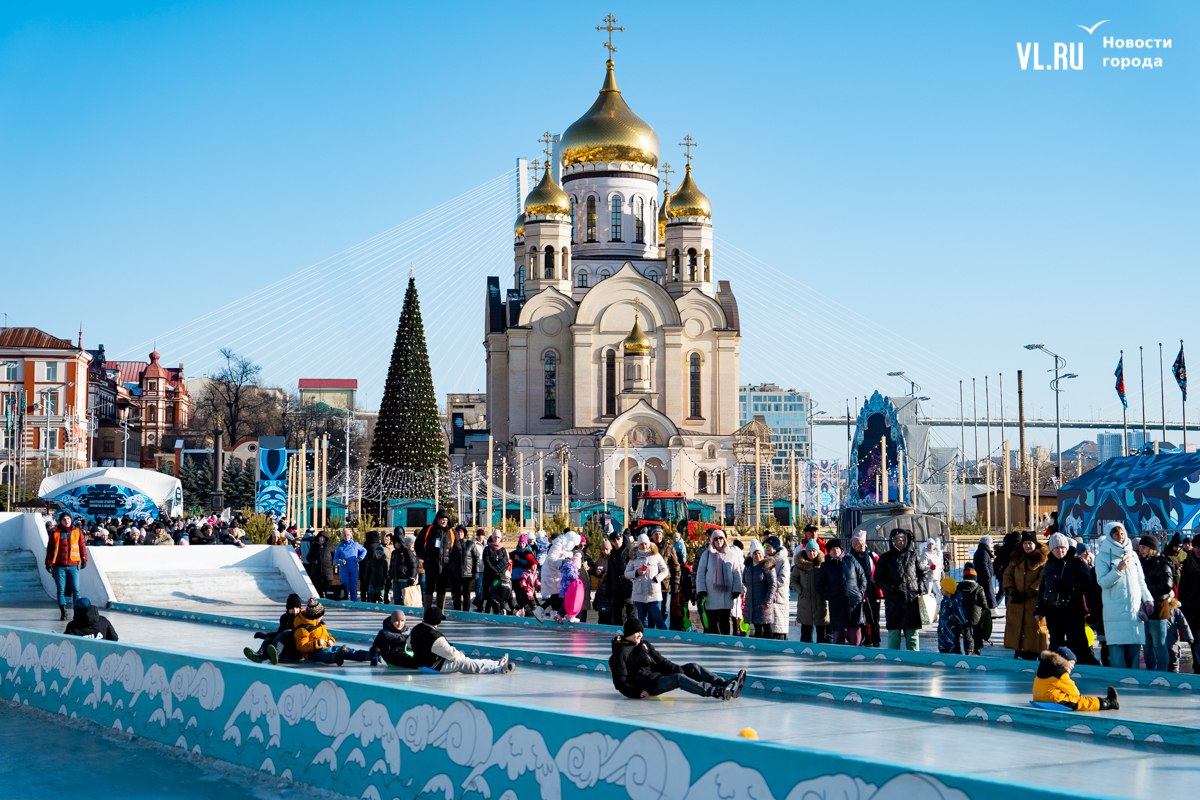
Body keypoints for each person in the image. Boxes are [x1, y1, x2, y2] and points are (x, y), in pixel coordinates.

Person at [609, 617, 745, 700]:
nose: (640, 635)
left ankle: (725, 684)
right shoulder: (620, 653)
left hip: (659, 675)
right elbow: (620, 682)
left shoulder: (644, 644)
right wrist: (637, 692)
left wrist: (678, 669)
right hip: (649, 684)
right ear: (629, 633)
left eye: (641, 632)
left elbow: (662, 661)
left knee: (692, 667)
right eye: (637, 632)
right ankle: (715, 691)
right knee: (678, 679)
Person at [1095, 523, 1152, 670]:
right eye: (1116, 534)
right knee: (1117, 654)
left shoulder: (1132, 555)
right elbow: (1102, 582)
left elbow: (1141, 580)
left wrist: (1148, 599)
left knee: (1134, 652)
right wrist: (1118, 570)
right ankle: (1118, 685)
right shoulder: (1102, 557)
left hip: (1133, 612)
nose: (1120, 537)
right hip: (1115, 613)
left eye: (1121, 533)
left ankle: (1134, 686)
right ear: (1109, 536)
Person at [1037, 533, 1098, 665]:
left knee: (1077, 639)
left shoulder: (1076, 563)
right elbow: (1043, 588)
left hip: (1072, 608)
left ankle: (1087, 663)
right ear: (1052, 550)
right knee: (1055, 640)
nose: (1060, 551)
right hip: (1053, 608)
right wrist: (1039, 608)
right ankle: (1052, 666)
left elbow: (1087, 583)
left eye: (1062, 548)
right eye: (1056, 548)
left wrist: (1069, 584)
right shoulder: (1049, 564)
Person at [408, 607, 514, 674]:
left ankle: (495, 664)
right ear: (437, 621)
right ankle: (497, 667)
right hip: (433, 666)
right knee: (463, 662)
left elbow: (409, 644)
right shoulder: (434, 636)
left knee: (464, 660)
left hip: (421, 663)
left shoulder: (416, 628)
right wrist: (461, 655)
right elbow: (452, 655)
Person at [874, 529, 927, 651]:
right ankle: (893, 660)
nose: (901, 542)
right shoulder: (885, 558)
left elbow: (922, 573)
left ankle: (914, 659)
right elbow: (878, 577)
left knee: (912, 635)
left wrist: (920, 586)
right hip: (894, 602)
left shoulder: (913, 556)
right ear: (893, 541)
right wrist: (890, 589)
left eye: (903, 539)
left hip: (911, 601)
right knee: (894, 634)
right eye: (898, 540)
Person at [1004, 531, 1049, 660]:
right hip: (1017, 601)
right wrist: (1012, 591)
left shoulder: (1042, 560)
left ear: (1035, 544)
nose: (1027, 546)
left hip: (1034, 601)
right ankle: (1019, 649)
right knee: (1019, 627)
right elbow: (1007, 575)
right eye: (1025, 543)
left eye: (1030, 543)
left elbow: (1043, 579)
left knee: (1034, 629)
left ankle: (1034, 653)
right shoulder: (1016, 558)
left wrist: (1029, 591)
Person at [1032, 647, 1119, 711]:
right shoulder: (1060, 672)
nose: (1073, 666)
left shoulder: (1045, 666)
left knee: (1069, 697)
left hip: (1038, 697)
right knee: (1081, 701)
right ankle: (1109, 703)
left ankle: (1106, 701)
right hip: (1052, 700)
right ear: (1064, 661)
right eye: (1071, 663)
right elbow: (1075, 692)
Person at [817, 538, 867, 646]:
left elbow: (862, 576)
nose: (835, 551)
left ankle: (856, 652)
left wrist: (860, 592)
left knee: (855, 628)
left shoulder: (850, 560)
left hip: (854, 601)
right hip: (836, 602)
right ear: (829, 552)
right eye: (833, 549)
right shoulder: (826, 566)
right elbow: (819, 585)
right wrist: (829, 596)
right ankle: (839, 654)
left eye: (837, 548)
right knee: (838, 630)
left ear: (841, 550)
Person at [293, 599, 372, 665]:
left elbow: (326, 636)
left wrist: (331, 640)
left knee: (344, 650)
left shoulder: (320, 624)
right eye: (320, 616)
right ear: (315, 616)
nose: (322, 617)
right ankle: (337, 656)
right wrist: (316, 643)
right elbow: (301, 646)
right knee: (324, 654)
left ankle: (368, 655)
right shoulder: (303, 628)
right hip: (313, 653)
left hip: (327, 647)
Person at [696, 529, 745, 636]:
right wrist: (701, 589)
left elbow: (736, 573)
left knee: (725, 620)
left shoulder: (731, 554)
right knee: (712, 620)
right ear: (712, 540)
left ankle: (725, 641)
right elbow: (700, 573)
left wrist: (737, 589)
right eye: (716, 539)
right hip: (711, 593)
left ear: (724, 539)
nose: (719, 541)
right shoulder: (706, 555)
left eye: (721, 538)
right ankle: (713, 643)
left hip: (726, 594)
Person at [1138, 535, 1174, 671]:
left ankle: (1162, 673)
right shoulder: (1142, 563)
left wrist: (1145, 590)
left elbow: (1166, 586)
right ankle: (1150, 673)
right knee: (1146, 646)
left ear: (1152, 549)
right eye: (1140, 547)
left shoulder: (1162, 563)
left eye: (1143, 547)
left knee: (1159, 644)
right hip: (1144, 609)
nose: (1140, 550)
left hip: (1158, 609)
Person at [45, 512, 88, 620]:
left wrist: (84, 559)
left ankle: (77, 612)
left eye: (68, 519)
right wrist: (48, 562)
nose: (67, 521)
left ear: (71, 519)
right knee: (61, 590)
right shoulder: (55, 533)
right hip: (59, 565)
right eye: (64, 519)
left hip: (73, 564)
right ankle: (63, 612)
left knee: (76, 590)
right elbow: (50, 549)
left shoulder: (77, 531)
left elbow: (82, 546)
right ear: (61, 521)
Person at [624, 533, 669, 629]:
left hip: (653, 593)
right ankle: (645, 637)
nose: (644, 546)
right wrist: (636, 573)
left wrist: (657, 578)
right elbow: (626, 573)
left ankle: (664, 636)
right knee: (642, 619)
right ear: (638, 545)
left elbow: (665, 570)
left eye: (645, 544)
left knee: (657, 617)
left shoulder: (656, 555)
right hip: (639, 594)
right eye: (641, 544)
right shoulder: (634, 557)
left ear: (649, 544)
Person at [244, 593, 304, 664]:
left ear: (300, 608)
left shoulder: (302, 618)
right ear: (288, 608)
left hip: (295, 651)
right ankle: (259, 656)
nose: (295, 610)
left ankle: (276, 655)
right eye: (292, 608)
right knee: (270, 639)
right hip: (284, 648)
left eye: (297, 608)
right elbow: (279, 632)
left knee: (285, 634)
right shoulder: (284, 618)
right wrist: (265, 636)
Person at [416, 510, 456, 610]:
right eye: (442, 519)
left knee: (441, 589)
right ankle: (427, 610)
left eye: (446, 520)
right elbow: (418, 546)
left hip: (445, 566)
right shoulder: (428, 530)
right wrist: (427, 558)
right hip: (431, 565)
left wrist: (451, 562)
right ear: (437, 520)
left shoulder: (451, 532)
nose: (444, 522)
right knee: (429, 587)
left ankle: (440, 611)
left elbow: (456, 548)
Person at [791, 539, 829, 642]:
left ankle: (822, 653)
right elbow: (793, 580)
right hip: (805, 603)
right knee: (806, 633)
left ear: (818, 551)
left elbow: (829, 580)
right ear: (806, 551)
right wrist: (800, 591)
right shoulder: (800, 565)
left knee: (822, 634)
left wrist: (825, 593)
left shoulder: (823, 565)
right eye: (809, 551)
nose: (811, 553)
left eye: (814, 551)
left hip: (820, 603)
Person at [848, 531, 882, 646]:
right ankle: (866, 638)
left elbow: (882, 570)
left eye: (862, 543)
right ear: (853, 545)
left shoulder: (873, 556)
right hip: (856, 592)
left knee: (874, 617)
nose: (861, 545)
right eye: (858, 543)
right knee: (862, 617)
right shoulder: (849, 558)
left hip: (873, 591)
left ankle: (876, 639)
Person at [744, 539, 779, 639]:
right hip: (752, 602)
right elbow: (745, 580)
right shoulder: (748, 567)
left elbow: (773, 585)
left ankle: (770, 648)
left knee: (766, 626)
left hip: (763, 603)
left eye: (759, 553)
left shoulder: (767, 566)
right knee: (756, 627)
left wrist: (767, 602)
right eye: (755, 553)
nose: (757, 556)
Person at [648, 526, 680, 627]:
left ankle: (662, 632)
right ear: (652, 536)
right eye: (656, 534)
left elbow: (676, 566)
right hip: (650, 584)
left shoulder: (669, 547)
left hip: (665, 585)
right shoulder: (648, 547)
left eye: (660, 534)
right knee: (651, 610)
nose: (658, 536)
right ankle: (651, 631)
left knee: (663, 610)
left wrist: (676, 583)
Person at [957, 565, 990, 655]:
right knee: (977, 632)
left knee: (967, 634)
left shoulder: (959, 587)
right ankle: (977, 648)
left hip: (963, 615)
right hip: (976, 616)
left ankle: (968, 650)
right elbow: (983, 602)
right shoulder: (979, 588)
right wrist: (986, 609)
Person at [1180, 534, 1200, 670]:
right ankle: (1198, 667)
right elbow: (1182, 588)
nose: (1199, 550)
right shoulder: (1188, 564)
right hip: (1193, 609)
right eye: (1197, 547)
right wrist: (1184, 608)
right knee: (1196, 641)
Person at [448, 529, 481, 612]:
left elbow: (476, 557)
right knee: (456, 595)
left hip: (468, 574)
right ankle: (457, 612)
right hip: (456, 573)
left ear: (464, 533)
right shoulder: (452, 544)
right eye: (458, 532)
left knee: (467, 595)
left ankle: (466, 612)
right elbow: (449, 558)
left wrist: (475, 571)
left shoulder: (470, 544)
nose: (460, 534)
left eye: (462, 532)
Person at [937, 577, 968, 654]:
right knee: (943, 650)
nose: (940, 589)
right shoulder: (944, 601)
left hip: (951, 631)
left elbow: (960, 615)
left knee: (954, 649)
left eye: (942, 588)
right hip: (942, 632)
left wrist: (963, 626)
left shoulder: (954, 601)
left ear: (948, 589)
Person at [480, 531, 510, 612]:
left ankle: (500, 612)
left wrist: (500, 573)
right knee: (491, 595)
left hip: (499, 578)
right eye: (495, 537)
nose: (496, 539)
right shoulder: (487, 549)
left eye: (498, 537)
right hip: (490, 578)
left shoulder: (503, 549)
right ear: (492, 538)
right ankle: (487, 613)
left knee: (499, 595)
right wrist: (495, 572)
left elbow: (506, 562)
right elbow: (487, 562)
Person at [334, 530, 367, 602]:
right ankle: (345, 602)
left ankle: (354, 603)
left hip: (354, 569)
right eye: (344, 535)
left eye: (348, 535)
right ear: (342, 537)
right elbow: (335, 558)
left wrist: (360, 558)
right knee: (345, 587)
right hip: (344, 570)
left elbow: (364, 550)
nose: (346, 537)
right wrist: (340, 561)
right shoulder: (339, 547)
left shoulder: (355, 544)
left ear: (350, 536)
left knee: (353, 587)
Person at [389, 533, 420, 606]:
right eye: (395, 542)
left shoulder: (406, 551)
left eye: (399, 542)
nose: (397, 544)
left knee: (406, 599)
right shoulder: (394, 552)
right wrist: (390, 575)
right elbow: (392, 565)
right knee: (397, 599)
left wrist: (412, 577)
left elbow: (414, 564)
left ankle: (405, 614)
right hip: (396, 579)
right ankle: (397, 614)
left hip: (405, 579)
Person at [973, 535, 997, 611]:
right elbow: (984, 564)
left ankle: (989, 608)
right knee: (989, 592)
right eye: (991, 543)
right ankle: (992, 608)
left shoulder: (981, 551)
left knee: (986, 592)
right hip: (984, 576)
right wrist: (988, 574)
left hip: (982, 576)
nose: (991, 545)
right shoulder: (984, 552)